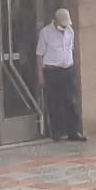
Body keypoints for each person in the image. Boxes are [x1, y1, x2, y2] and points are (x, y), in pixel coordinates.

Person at [35, 8, 85, 142]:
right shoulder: (45, 33)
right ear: (55, 21)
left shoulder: (70, 31)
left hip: (67, 70)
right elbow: (39, 55)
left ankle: (73, 131)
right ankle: (56, 132)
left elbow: (70, 50)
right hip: (52, 71)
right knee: (54, 102)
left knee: (71, 101)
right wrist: (41, 75)